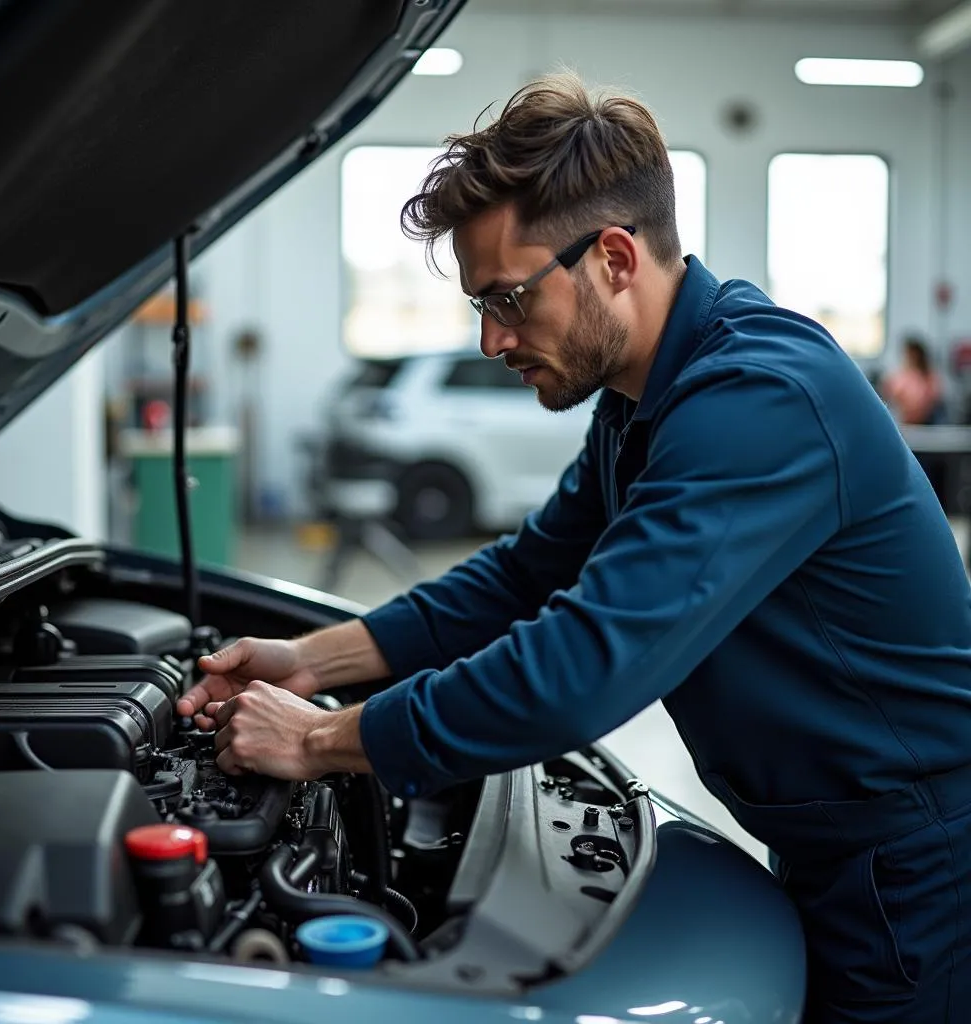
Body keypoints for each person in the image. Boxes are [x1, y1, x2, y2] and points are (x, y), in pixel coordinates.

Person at [178, 74, 971, 1021]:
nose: (490, 337)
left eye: (509, 297)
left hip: (920, 863)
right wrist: (310, 659)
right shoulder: (643, 403)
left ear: (615, 258)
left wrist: (321, 742)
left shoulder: (759, 402)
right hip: (843, 841)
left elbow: (584, 667)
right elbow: (524, 576)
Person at [881, 334, 945, 425]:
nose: (911, 357)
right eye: (909, 354)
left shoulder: (929, 376)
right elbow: (890, 393)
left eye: (913, 354)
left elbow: (933, 397)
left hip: (927, 421)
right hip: (905, 421)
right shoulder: (901, 375)